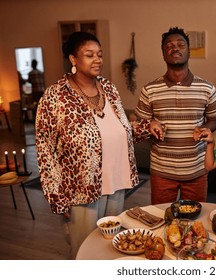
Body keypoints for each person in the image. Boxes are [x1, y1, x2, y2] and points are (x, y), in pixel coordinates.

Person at [35, 31, 164, 258]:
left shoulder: (109, 89)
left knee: (109, 246)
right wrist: (56, 196)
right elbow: (46, 150)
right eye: (89, 55)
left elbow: (117, 129)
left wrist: (146, 126)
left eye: (100, 54)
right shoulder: (55, 96)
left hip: (116, 181)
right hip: (81, 189)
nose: (97, 60)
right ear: (73, 59)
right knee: (84, 249)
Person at [135, 27, 216, 204]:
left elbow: (215, 119)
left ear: (189, 51)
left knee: (196, 221)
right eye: (169, 46)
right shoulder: (149, 89)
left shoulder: (207, 88)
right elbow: (139, 124)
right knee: (162, 219)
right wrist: (150, 124)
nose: (175, 48)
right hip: (162, 171)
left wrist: (205, 128)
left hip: (196, 169)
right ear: (163, 54)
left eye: (181, 44)